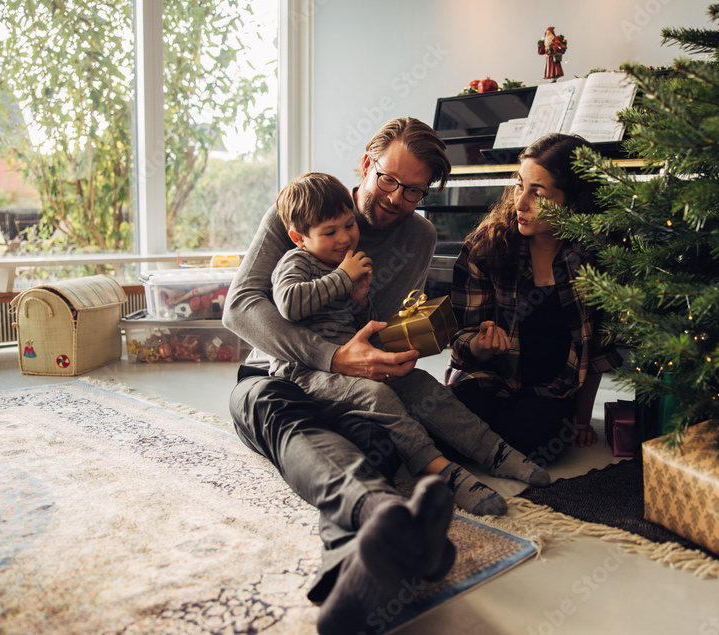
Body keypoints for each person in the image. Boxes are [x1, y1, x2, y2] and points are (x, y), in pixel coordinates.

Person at [223, 118, 534, 635]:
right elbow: (241, 308)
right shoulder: (303, 208)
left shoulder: (419, 235)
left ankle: (368, 552)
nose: (396, 197)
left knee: (377, 440)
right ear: (367, 164)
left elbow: (380, 328)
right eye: (388, 179)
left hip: (360, 385)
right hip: (274, 374)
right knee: (291, 424)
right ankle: (383, 516)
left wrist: (399, 351)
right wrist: (332, 358)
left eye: (414, 190)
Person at [269, 171, 549, 516]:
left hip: (355, 359)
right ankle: (443, 474)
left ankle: (494, 451)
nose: (344, 238)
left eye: (348, 225)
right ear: (299, 237)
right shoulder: (295, 263)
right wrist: (343, 279)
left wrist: (359, 301)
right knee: (379, 396)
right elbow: (289, 304)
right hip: (305, 371)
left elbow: (361, 326)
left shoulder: (344, 263)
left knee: (421, 384)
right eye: (330, 232)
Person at [447, 132, 622, 465]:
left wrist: (582, 419)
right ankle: (473, 437)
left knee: (537, 441)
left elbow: (598, 349)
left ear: (571, 202)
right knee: (463, 412)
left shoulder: (595, 254)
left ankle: (478, 442)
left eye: (537, 193)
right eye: (518, 184)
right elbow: (460, 341)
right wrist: (480, 347)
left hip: (552, 387)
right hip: (491, 375)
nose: (520, 203)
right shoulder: (485, 246)